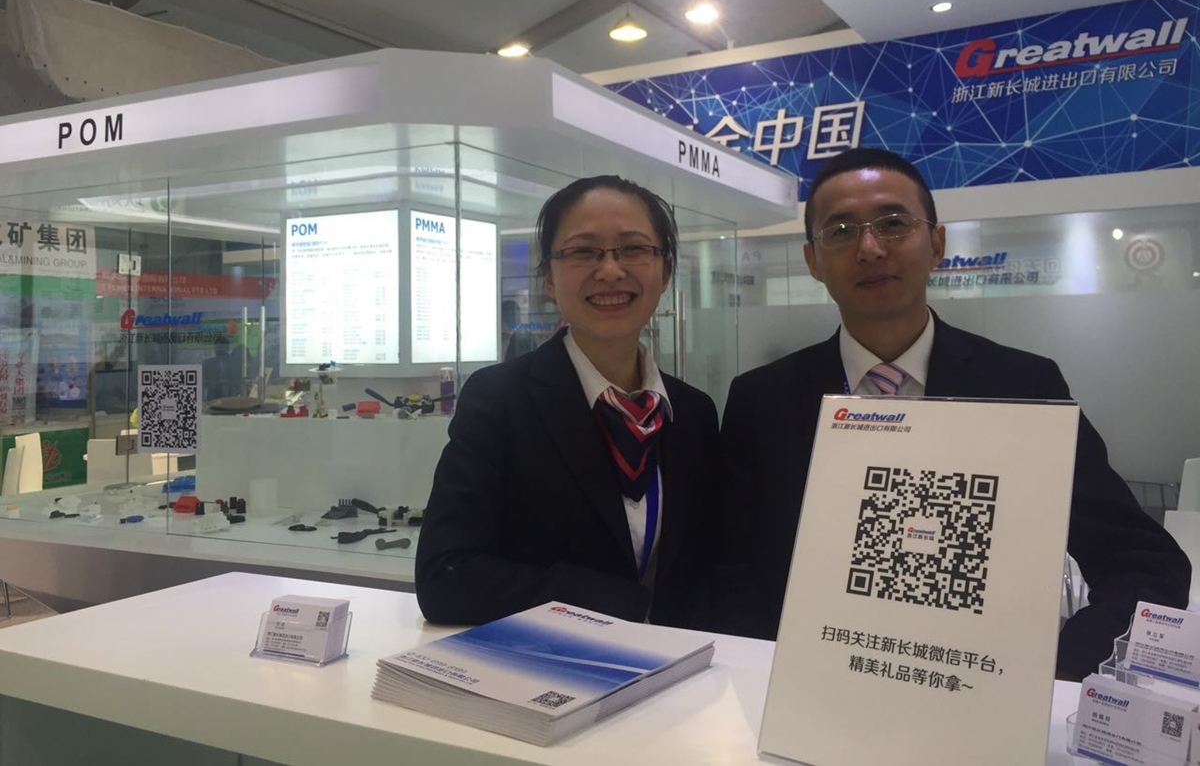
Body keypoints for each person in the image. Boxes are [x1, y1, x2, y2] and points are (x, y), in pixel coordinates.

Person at [716, 147, 1190, 679]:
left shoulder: (1023, 387)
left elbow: (1144, 562)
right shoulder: (762, 400)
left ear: (937, 244)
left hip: (975, 688)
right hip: (811, 687)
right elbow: (732, 572)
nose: (869, 248)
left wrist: (1051, 674)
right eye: (841, 230)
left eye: (893, 223)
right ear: (813, 261)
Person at [416, 175, 719, 629]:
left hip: (681, 666)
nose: (610, 270)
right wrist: (621, 605)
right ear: (549, 280)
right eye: (583, 251)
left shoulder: (693, 413)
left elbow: (710, 565)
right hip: (548, 664)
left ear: (665, 271)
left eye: (634, 249)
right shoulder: (500, 400)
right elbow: (444, 578)